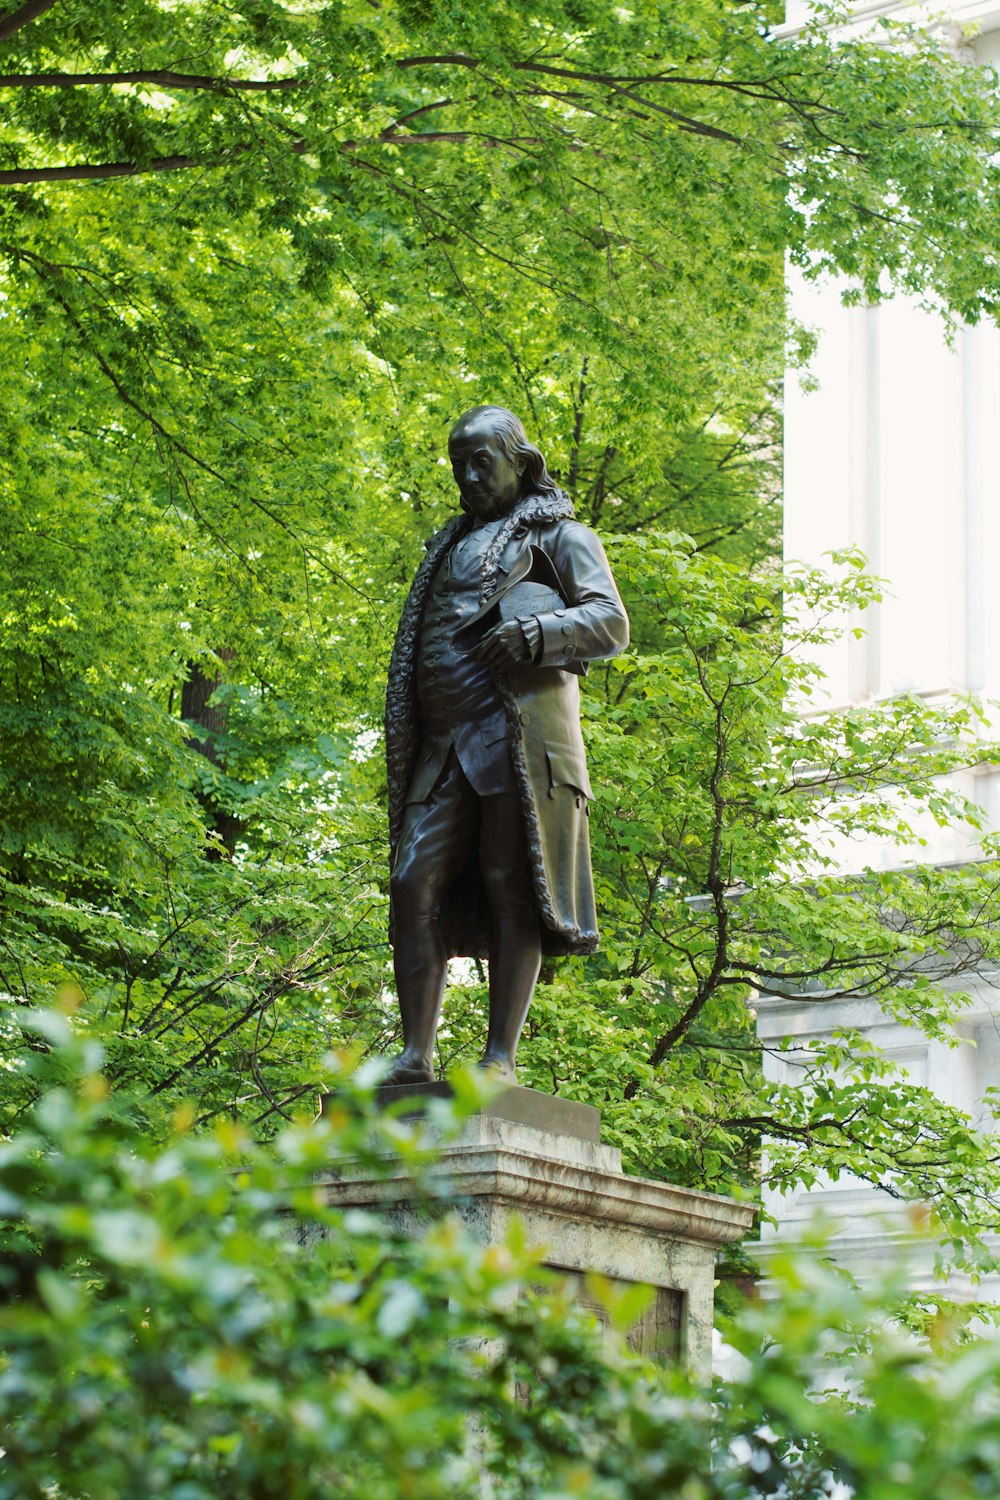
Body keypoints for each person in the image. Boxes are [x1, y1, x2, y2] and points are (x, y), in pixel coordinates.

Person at [384, 405, 629, 1084]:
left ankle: (499, 1060)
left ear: (521, 462)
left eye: (480, 462)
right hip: (445, 742)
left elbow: (610, 621)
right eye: (457, 464)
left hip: (519, 739)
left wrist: (538, 633)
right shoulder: (448, 546)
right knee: (411, 882)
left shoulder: (562, 536)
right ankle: (416, 1054)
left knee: (511, 886)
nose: (467, 476)